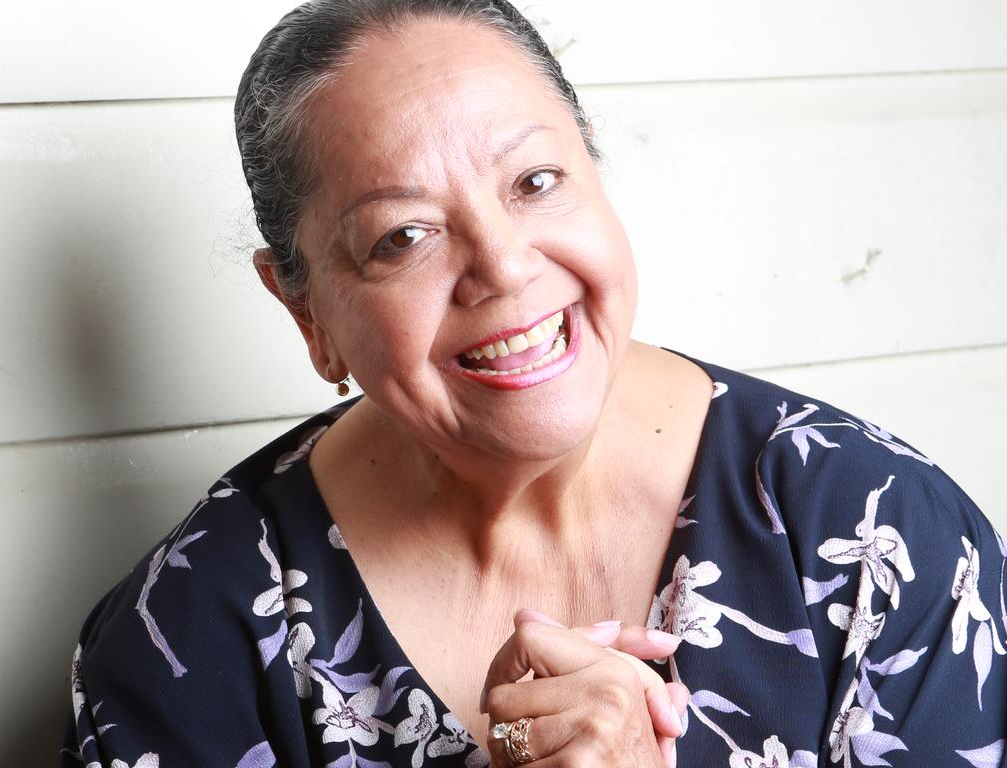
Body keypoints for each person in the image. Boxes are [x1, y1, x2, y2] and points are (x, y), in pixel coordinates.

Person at [60, 1, 1006, 766]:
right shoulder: (188, 638)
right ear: (306, 310)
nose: (504, 266)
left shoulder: (877, 534)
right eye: (403, 236)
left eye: (536, 181)